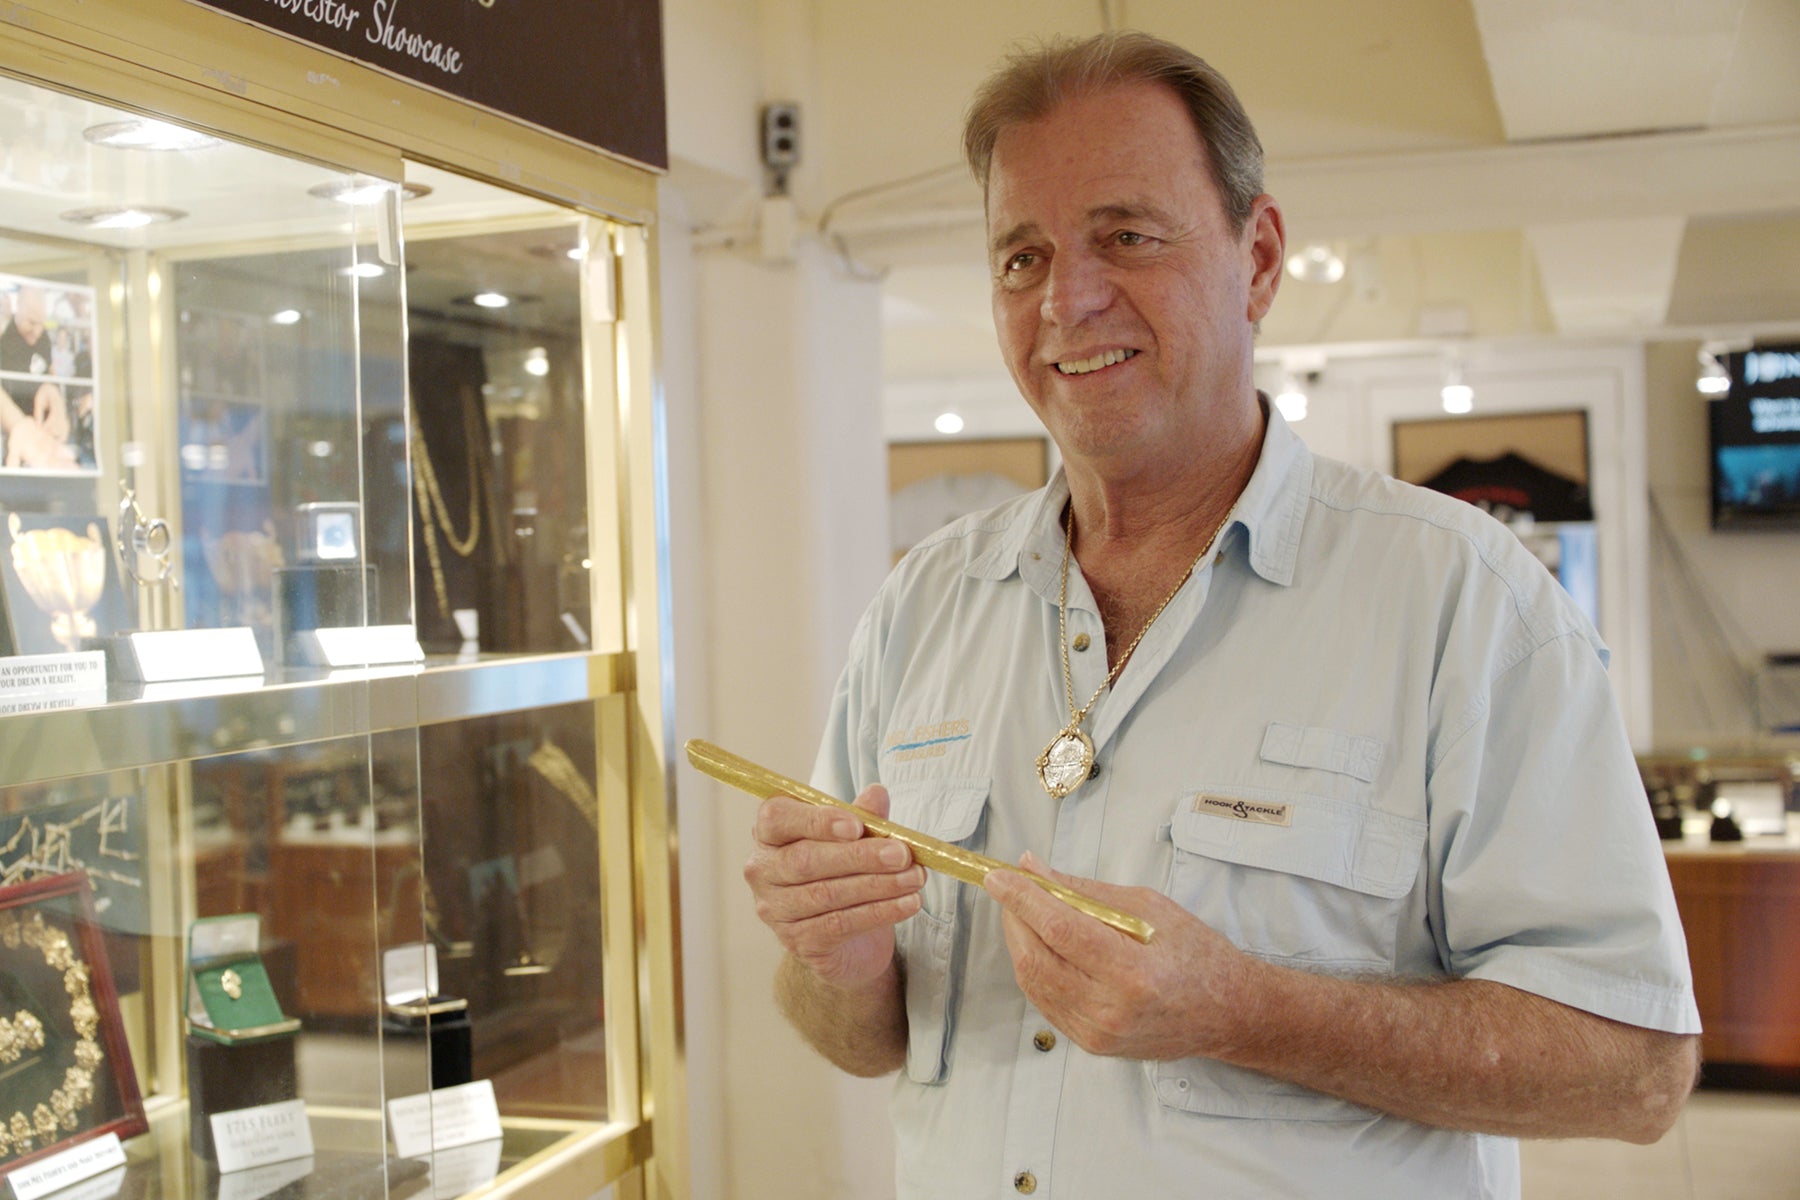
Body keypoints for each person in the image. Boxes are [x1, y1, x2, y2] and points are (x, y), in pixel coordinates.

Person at [741, 31, 1701, 1199]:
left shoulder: (1465, 604)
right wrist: (836, 961)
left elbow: (1636, 1069)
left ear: (1257, 259)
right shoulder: (920, 609)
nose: (1065, 301)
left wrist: (1249, 1010)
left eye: (1125, 237)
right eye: (1020, 258)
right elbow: (862, 1035)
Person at [0, 285, 76, 469]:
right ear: (19, 308)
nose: (37, 330)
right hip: (12, 436)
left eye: (41, 323)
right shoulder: (4, 339)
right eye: (31, 323)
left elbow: (49, 372)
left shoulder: (43, 340)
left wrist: (55, 396)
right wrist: (14, 422)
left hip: (42, 433)